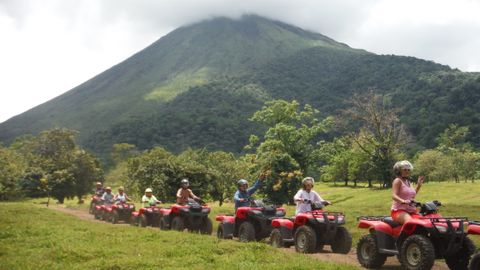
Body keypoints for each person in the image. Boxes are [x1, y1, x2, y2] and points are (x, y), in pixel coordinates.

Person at [391, 160, 424, 224]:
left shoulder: (408, 182)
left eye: (408, 170)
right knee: (410, 222)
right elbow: (394, 195)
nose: (407, 171)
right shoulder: (397, 181)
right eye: (405, 170)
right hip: (399, 210)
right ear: (399, 170)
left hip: (411, 210)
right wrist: (403, 201)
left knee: (423, 222)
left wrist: (419, 186)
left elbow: (412, 196)